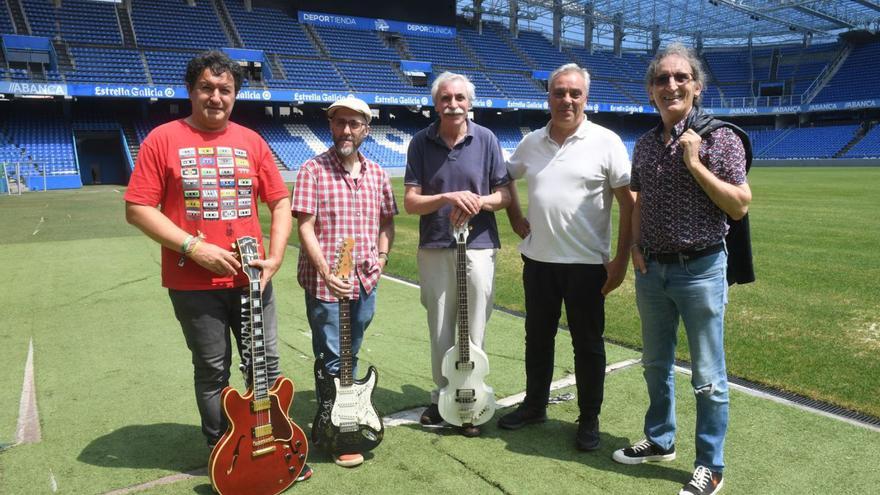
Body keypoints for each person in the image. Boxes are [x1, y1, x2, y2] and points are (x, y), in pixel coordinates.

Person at [123, 50, 312, 478]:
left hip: (251, 280)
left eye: (225, 89)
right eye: (206, 87)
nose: (215, 97)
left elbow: (281, 202)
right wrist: (194, 247)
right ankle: (225, 452)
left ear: (235, 95)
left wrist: (277, 255)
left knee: (266, 368)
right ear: (191, 91)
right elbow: (138, 208)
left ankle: (275, 443)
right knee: (212, 371)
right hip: (193, 284)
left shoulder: (251, 141)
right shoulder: (162, 139)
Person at [611, 43, 751, 495]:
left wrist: (694, 163)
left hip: (701, 269)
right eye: (661, 79)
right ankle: (660, 439)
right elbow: (639, 199)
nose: (671, 85)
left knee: (708, 375)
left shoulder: (719, 137)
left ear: (696, 86)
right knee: (655, 364)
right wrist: (634, 245)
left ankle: (711, 465)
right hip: (653, 270)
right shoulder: (646, 143)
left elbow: (739, 205)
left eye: (680, 78)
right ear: (650, 91)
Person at [498, 63, 633, 452]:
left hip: (588, 267)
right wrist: (515, 215)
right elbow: (505, 176)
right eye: (559, 92)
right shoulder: (531, 142)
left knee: (587, 345)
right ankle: (535, 406)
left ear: (585, 98)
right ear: (549, 97)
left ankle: (588, 418)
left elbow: (629, 203)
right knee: (537, 339)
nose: (566, 100)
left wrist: (620, 260)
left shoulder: (606, 141)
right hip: (538, 262)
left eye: (574, 93)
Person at [291, 96, 397, 468]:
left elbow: (387, 222)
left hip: (366, 278)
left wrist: (382, 259)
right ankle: (339, 425)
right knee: (334, 354)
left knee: (352, 348)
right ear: (331, 126)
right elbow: (304, 226)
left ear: (367, 129)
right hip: (325, 284)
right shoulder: (312, 170)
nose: (346, 130)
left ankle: (339, 406)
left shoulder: (379, 174)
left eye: (354, 124)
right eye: (339, 123)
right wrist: (325, 271)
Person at [404, 71, 511, 438]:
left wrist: (478, 201)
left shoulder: (487, 139)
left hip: (479, 244)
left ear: (470, 102)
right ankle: (441, 397)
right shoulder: (421, 142)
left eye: (459, 98)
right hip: (435, 244)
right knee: (440, 326)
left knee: (475, 324)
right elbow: (411, 202)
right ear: (435, 104)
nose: (452, 105)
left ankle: (472, 397)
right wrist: (448, 197)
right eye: (445, 99)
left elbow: (505, 195)